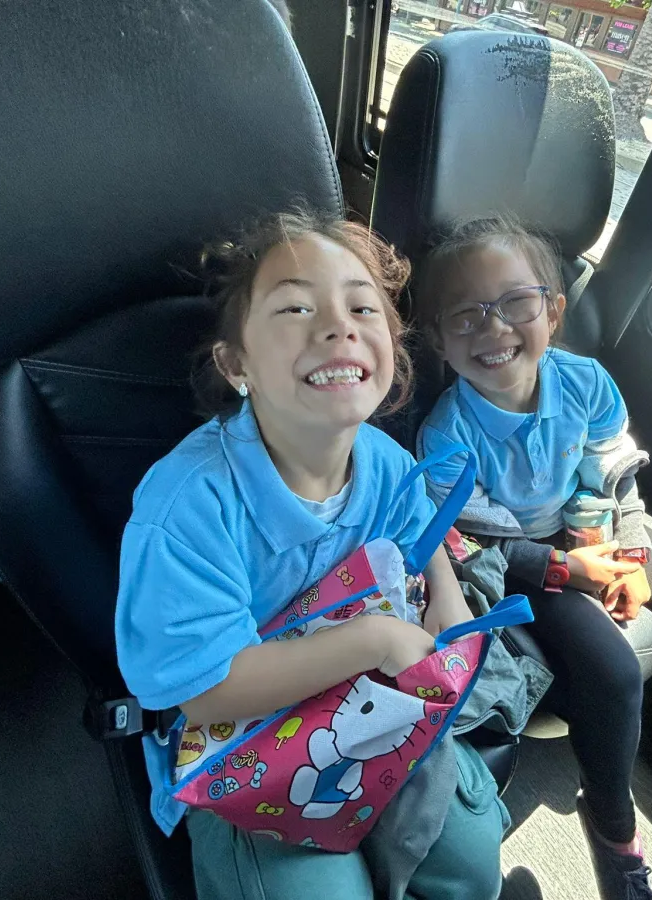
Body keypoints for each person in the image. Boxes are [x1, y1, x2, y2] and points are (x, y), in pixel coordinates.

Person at [115, 212, 507, 900]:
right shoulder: (187, 508)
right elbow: (203, 691)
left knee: (472, 856)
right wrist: (375, 640)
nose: (337, 326)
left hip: (372, 703)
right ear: (236, 365)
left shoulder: (383, 461)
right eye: (296, 308)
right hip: (244, 745)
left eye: (362, 307)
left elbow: (420, 531)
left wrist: (446, 597)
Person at [414, 216, 652, 900]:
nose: (494, 329)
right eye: (466, 316)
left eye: (516, 303)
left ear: (554, 311)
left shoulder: (586, 382)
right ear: (438, 340)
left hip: (592, 525)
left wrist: (624, 548)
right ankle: (613, 827)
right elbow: (476, 541)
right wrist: (569, 570)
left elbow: (611, 469)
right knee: (616, 669)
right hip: (520, 559)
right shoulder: (447, 436)